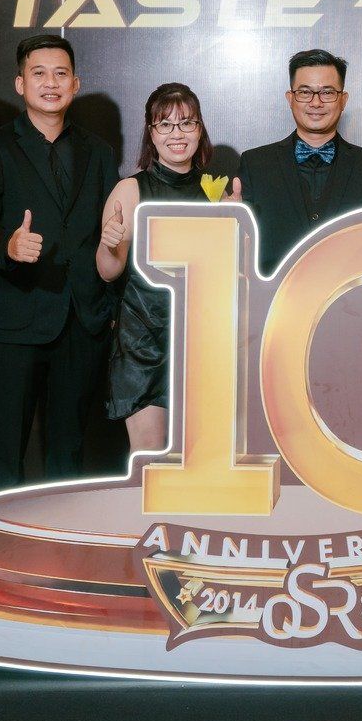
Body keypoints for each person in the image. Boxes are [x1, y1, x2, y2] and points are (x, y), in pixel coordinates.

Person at [0, 34, 118, 488]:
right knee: (6, 444)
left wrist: (106, 304)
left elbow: (111, 231)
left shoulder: (99, 151)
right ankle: (0, 531)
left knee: (69, 446)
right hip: (16, 315)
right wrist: (7, 245)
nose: (51, 83)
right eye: (39, 73)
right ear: (20, 83)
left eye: (60, 74)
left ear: (75, 83)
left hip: (82, 319)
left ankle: (60, 532)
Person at [97, 83, 238, 454]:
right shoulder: (130, 190)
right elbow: (108, 272)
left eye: (187, 123)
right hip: (143, 342)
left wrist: (238, 226)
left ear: (200, 130)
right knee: (151, 454)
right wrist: (110, 243)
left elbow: (232, 276)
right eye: (166, 124)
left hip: (202, 341)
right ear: (151, 132)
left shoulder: (216, 193)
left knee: (201, 455)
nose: (177, 134)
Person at [237, 48, 362, 275]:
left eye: (327, 92)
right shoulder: (255, 164)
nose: (316, 102)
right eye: (305, 92)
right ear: (290, 98)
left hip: (348, 293)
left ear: (343, 100)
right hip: (275, 293)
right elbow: (236, 249)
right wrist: (228, 221)